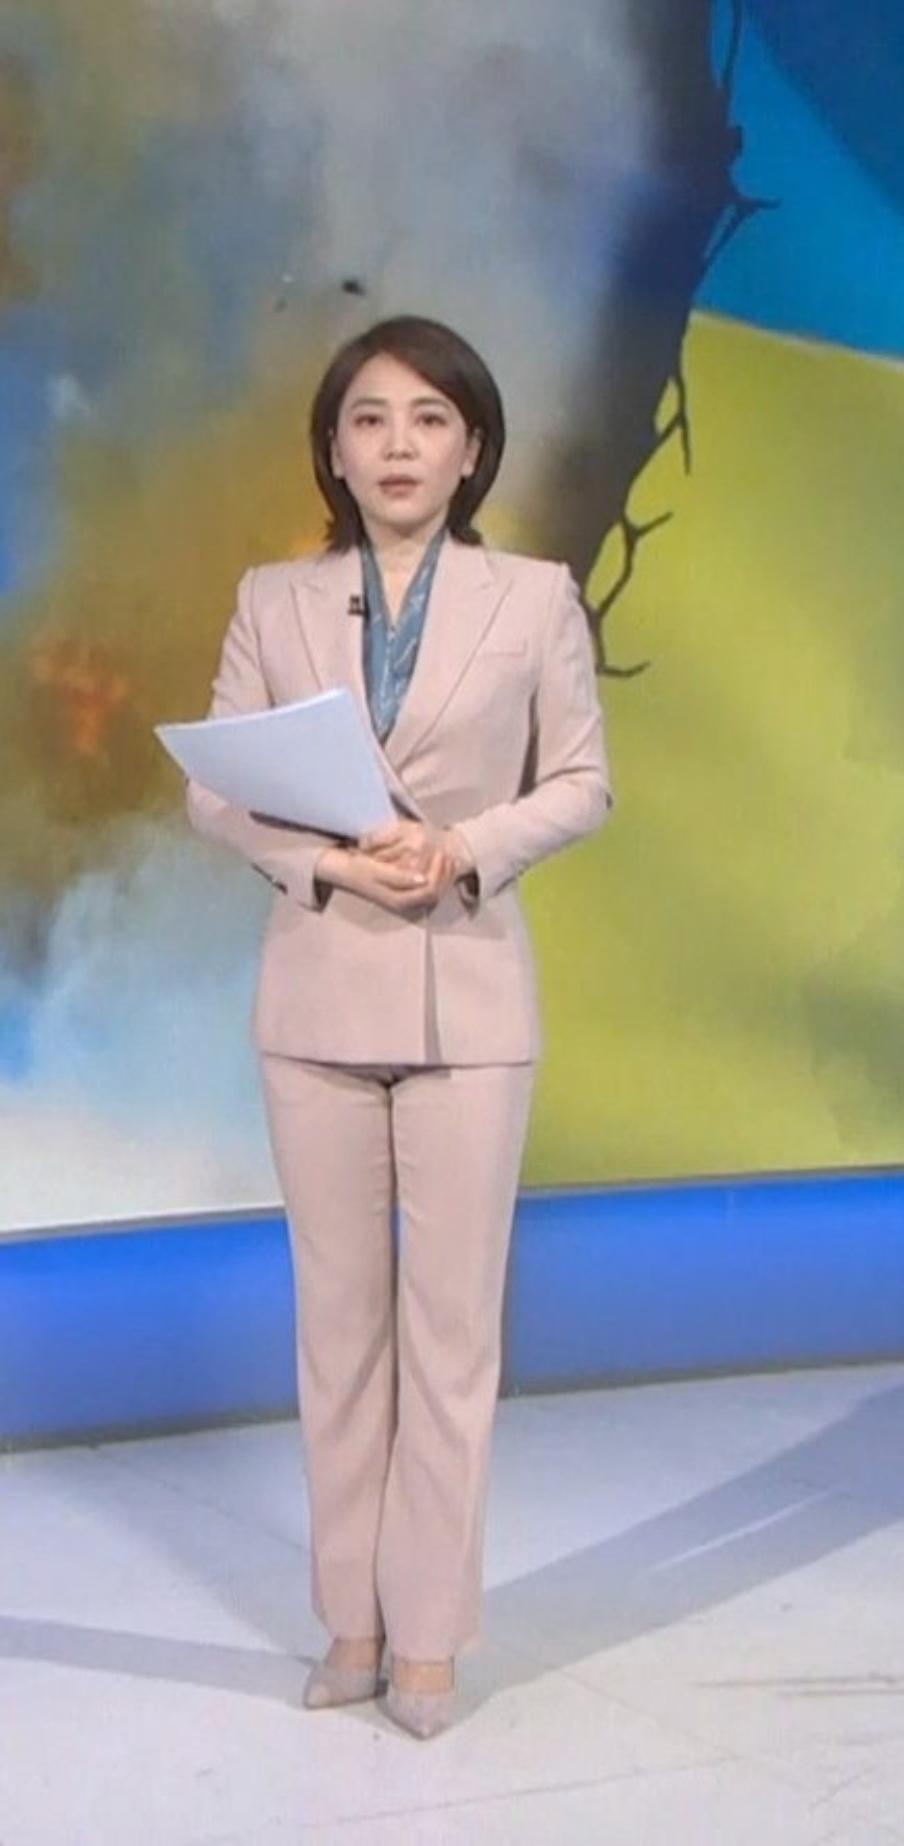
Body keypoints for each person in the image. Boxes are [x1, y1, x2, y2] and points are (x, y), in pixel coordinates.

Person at [184, 314, 612, 1739]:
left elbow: (583, 781)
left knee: (451, 1333)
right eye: (369, 419)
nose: (398, 446)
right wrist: (324, 863)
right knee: (338, 1330)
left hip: (467, 995)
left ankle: (428, 1634)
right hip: (316, 990)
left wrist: (465, 846)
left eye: (429, 420)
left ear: (473, 447)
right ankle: (350, 1621)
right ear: (333, 447)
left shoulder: (535, 598)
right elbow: (214, 789)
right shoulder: (275, 598)